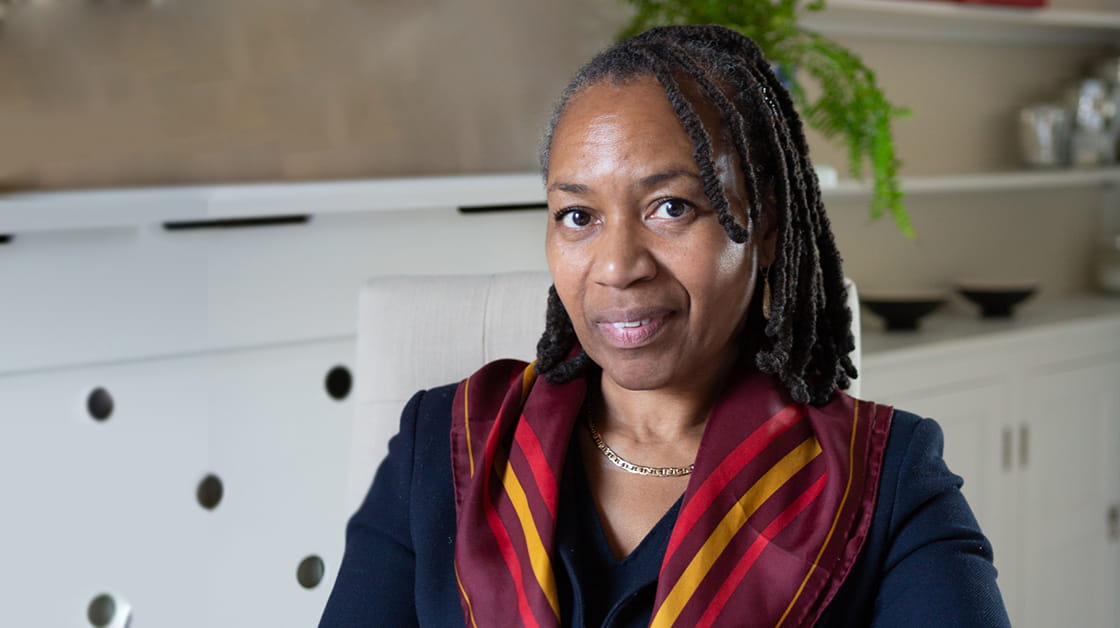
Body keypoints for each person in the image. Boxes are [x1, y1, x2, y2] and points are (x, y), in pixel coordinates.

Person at [319, 25, 1010, 627]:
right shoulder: (446, 446)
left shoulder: (884, 480)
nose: (618, 266)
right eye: (578, 216)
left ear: (765, 225)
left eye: (671, 207)